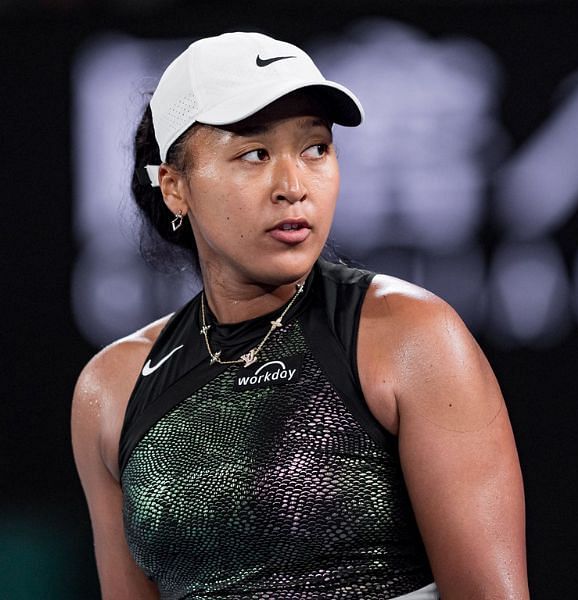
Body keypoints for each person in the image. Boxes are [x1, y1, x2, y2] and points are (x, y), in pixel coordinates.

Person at [70, 32, 528, 600]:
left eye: (315, 148)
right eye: (255, 154)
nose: (294, 187)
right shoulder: (112, 389)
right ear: (175, 186)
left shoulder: (409, 335)